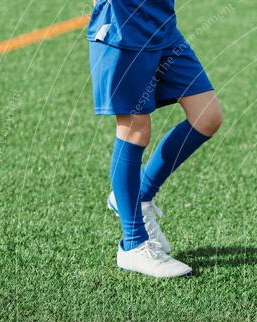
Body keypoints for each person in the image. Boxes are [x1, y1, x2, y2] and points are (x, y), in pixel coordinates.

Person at [88, 0, 223, 277]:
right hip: (124, 29)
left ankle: (140, 196)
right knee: (135, 128)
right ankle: (133, 245)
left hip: (162, 26)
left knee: (207, 116)